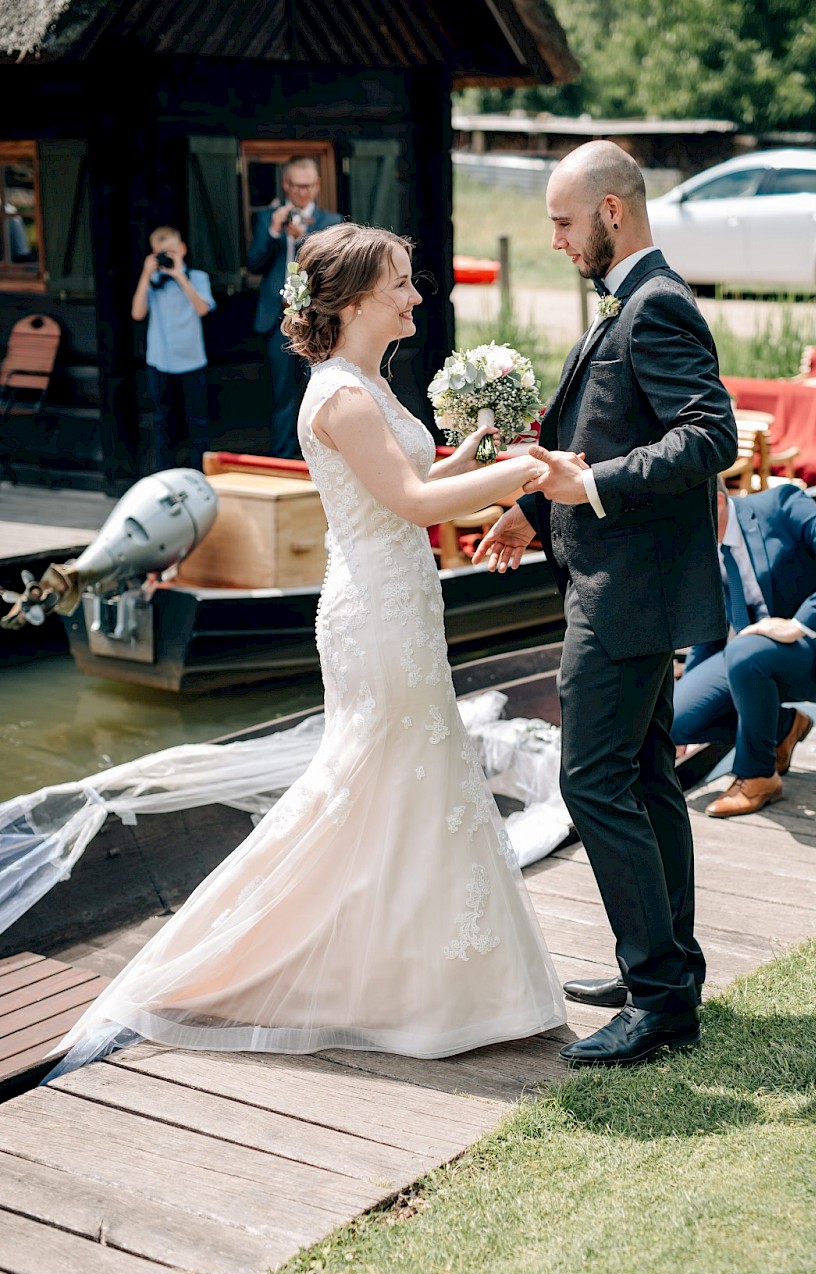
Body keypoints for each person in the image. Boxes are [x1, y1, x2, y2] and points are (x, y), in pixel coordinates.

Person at [44, 222, 565, 1081]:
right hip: (375, 614)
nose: (415, 294)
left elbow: (422, 482)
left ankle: (432, 985)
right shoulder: (340, 396)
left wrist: (479, 449)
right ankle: (232, 955)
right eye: (400, 282)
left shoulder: (366, 381)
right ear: (356, 299)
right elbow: (406, 504)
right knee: (368, 780)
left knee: (415, 782)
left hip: (400, 603)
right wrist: (529, 473)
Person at [472, 140, 738, 1068]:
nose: (554, 239)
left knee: (591, 781)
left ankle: (661, 1001)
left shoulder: (657, 304)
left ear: (611, 214)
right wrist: (533, 509)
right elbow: (592, 435)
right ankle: (668, 973)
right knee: (649, 774)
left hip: (627, 594)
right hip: (617, 581)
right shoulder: (633, 299)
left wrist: (589, 490)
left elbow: (711, 436)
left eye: (562, 220)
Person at [673, 481, 816, 817]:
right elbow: (708, 634)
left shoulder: (783, 504)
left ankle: (758, 777)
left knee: (745, 653)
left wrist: (800, 623)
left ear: (713, 502)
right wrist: (681, 711)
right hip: (760, 654)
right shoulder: (701, 550)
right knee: (671, 719)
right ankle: (784, 728)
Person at [248, 156, 343, 458]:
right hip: (277, 320)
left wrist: (302, 239)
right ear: (286, 185)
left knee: (317, 389)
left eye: (309, 186)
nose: (303, 193)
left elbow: (332, 269)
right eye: (297, 186)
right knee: (282, 394)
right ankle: (283, 457)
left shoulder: (332, 222)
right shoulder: (267, 218)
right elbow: (254, 263)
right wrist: (275, 232)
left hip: (317, 319)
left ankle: (317, 458)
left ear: (317, 186)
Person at [131, 226, 215, 471]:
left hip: (191, 359)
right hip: (160, 360)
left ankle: (200, 474)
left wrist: (180, 276)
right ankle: (163, 473)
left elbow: (202, 309)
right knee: (162, 420)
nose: (167, 257)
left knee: (197, 420)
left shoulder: (197, 277)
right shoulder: (154, 281)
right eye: (161, 253)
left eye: (171, 251)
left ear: (182, 250)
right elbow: (137, 313)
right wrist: (146, 275)